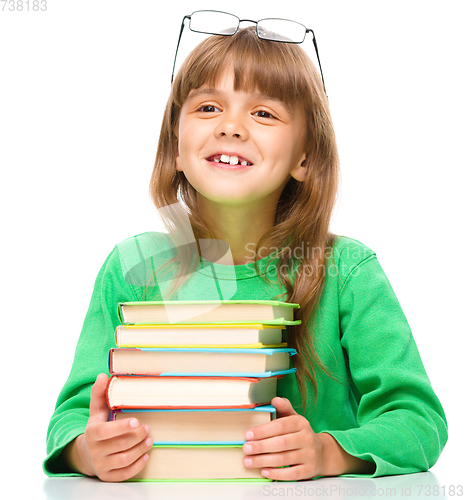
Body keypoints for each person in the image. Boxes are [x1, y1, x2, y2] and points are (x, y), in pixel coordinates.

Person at [43, 20, 447, 483]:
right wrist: (86, 452)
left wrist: (327, 452)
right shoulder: (132, 267)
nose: (231, 127)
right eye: (209, 106)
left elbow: (419, 423)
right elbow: (71, 419)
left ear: (305, 158)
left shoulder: (345, 272)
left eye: (264, 114)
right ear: (176, 145)